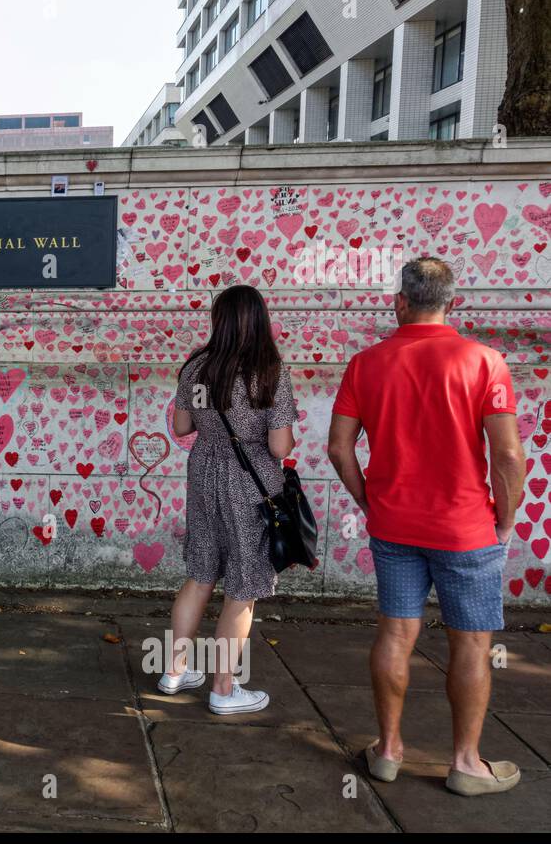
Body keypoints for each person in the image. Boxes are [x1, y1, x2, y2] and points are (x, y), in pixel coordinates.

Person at [328, 256, 526, 797]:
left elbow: (339, 449)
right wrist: (504, 520)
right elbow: (508, 457)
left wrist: (370, 502)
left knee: (395, 633)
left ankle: (388, 752)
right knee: (471, 643)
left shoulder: (365, 364)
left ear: (399, 303)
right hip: (467, 529)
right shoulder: (485, 361)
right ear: (452, 304)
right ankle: (466, 764)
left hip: (393, 526)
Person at [164, 285, 297, 714]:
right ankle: (223, 689)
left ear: (219, 320)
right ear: (260, 320)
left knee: (201, 571)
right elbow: (279, 448)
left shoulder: (196, 367)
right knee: (243, 583)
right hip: (250, 481)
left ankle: (175, 670)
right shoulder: (270, 371)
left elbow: (183, 427)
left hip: (203, 472)